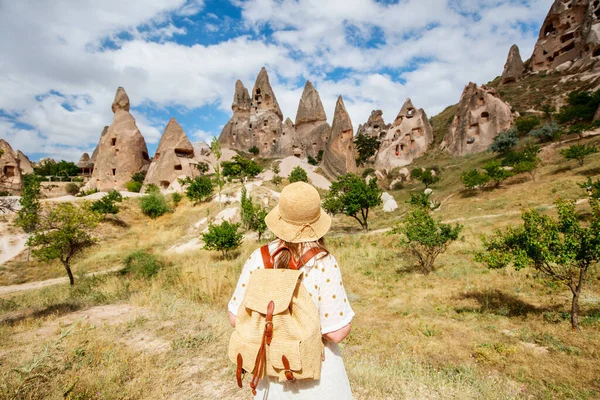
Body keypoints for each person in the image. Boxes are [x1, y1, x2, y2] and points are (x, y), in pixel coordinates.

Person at [228, 182, 354, 399]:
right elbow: (336, 332)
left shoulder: (259, 257)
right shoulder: (324, 262)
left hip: (272, 373)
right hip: (317, 378)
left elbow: (234, 317)